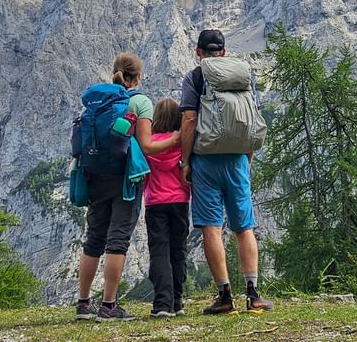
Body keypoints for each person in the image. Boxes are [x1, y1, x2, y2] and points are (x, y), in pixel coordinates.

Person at [75, 52, 180, 322]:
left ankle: (83, 303)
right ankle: (109, 305)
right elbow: (147, 146)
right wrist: (175, 140)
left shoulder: (96, 102)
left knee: (93, 238)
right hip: (125, 180)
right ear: (139, 76)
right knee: (117, 239)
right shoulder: (139, 102)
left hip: (94, 176)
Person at [178, 30, 274, 315]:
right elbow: (252, 120)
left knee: (211, 227)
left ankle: (225, 296)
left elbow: (189, 120)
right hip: (237, 160)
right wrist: (247, 157)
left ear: (198, 52)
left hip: (206, 161)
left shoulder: (195, 77)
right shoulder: (243, 76)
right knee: (244, 228)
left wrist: (185, 161)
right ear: (224, 50)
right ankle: (254, 296)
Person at [143, 98, 190, 318]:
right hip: (180, 202)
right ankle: (177, 302)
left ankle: (162, 304)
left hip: (155, 203)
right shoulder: (183, 144)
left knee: (159, 251)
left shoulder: (149, 143)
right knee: (178, 251)